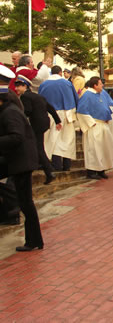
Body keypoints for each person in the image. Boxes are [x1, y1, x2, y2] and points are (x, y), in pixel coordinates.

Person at [0, 65, 44, 251]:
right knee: (25, 202)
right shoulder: (9, 109)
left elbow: (16, 137)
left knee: (26, 203)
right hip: (19, 161)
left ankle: (34, 241)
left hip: (21, 162)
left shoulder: (10, 112)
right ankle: (34, 240)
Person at [15, 75, 61, 185]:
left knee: (38, 147)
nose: (16, 89)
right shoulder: (38, 96)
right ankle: (44, 167)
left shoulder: (25, 97)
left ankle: (49, 171)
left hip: (36, 125)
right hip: (44, 124)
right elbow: (50, 108)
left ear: (24, 86)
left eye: (18, 86)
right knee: (38, 146)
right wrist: (58, 121)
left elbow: (28, 111)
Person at [76, 77, 113, 179]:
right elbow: (81, 111)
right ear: (95, 85)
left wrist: (109, 115)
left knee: (104, 148)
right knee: (93, 149)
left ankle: (101, 170)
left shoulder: (102, 93)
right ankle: (91, 171)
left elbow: (108, 105)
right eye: (100, 84)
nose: (102, 85)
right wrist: (91, 123)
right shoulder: (87, 95)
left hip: (103, 124)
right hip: (94, 125)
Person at [38, 65, 78, 172]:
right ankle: (66, 165)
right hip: (66, 113)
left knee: (52, 139)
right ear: (60, 73)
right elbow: (76, 98)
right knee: (66, 139)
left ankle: (55, 164)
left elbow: (39, 100)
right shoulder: (67, 83)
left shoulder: (44, 84)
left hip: (49, 114)